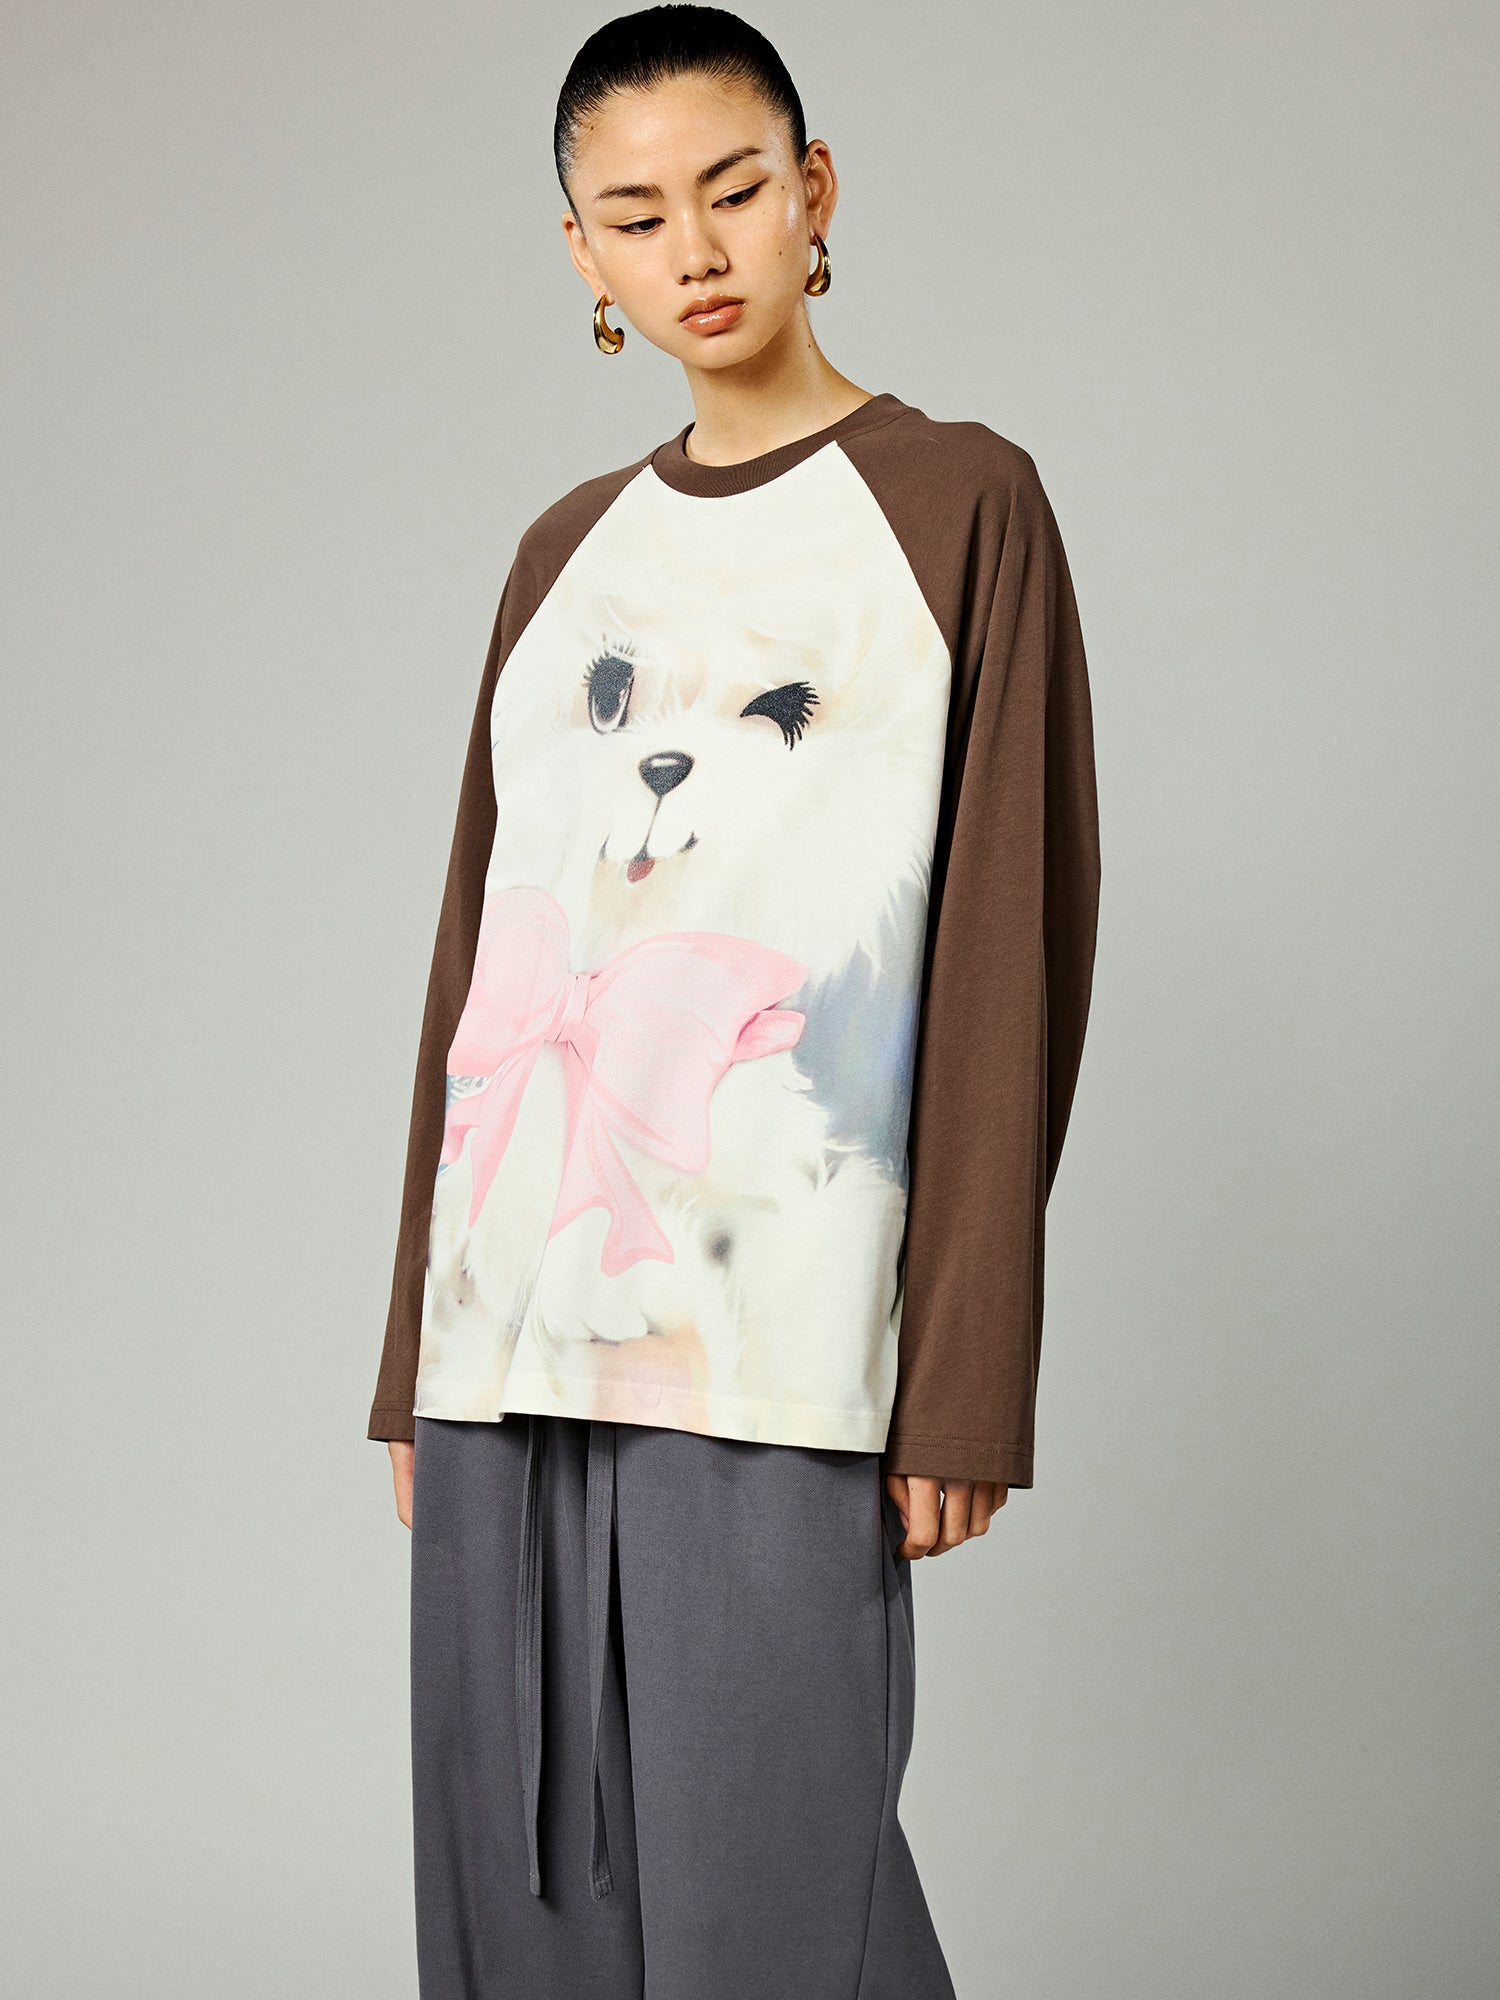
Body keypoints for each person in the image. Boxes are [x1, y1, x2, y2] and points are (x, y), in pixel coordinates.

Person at [366, 7, 1101, 1993]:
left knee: (775, 1907)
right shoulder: (562, 556)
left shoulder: (958, 506)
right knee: (523, 1911)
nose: (692, 250)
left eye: (733, 190)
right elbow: (486, 949)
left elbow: (1009, 949)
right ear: (581, 255)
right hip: (511, 1321)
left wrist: (963, 1370)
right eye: (635, 216)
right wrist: (412, 1351)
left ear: (814, 192)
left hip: (779, 1327)